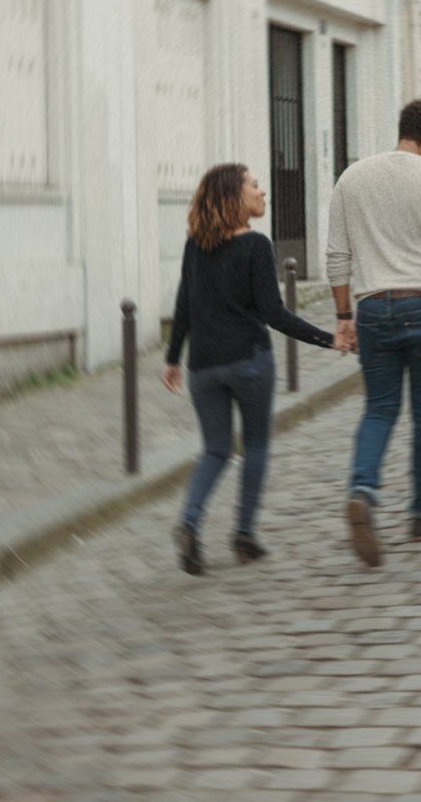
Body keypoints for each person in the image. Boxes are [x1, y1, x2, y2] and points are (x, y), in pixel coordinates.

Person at [163, 163, 338, 575]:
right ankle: (243, 535)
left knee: (215, 450)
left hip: (203, 366)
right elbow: (274, 314)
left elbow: (183, 306)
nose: (263, 192)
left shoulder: (195, 245)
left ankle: (189, 522)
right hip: (248, 362)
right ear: (233, 198)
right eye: (254, 186)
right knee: (256, 445)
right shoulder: (256, 246)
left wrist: (173, 359)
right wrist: (327, 339)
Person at [326, 99, 421, 567]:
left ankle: (363, 491)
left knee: (378, 409)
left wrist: (344, 316)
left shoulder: (352, 178)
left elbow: (336, 256)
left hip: (373, 309)